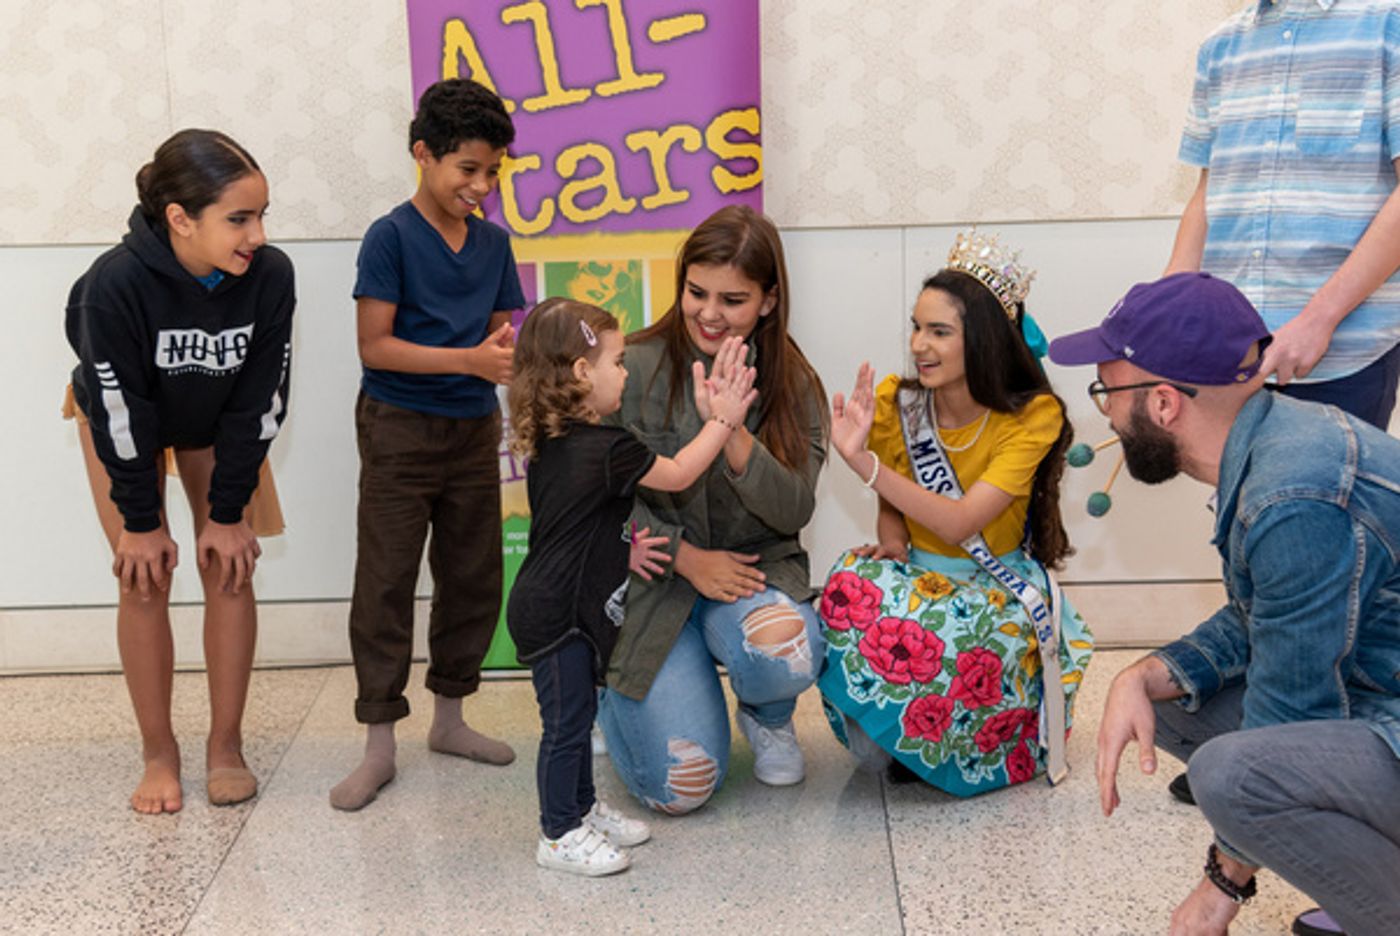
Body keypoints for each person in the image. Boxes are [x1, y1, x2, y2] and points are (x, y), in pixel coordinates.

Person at [1050, 272, 1400, 936]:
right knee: (1169, 702)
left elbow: (1293, 707)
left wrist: (1220, 886)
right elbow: (1266, 619)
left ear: (1162, 403)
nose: (1105, 416)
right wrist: (1144, 673)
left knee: (1234, 775)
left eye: (1106, 393)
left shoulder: (1294, 495)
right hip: (1381, 689)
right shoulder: (1275, 442)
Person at [64, 128, 294, 814]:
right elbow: (117, 408)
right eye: (238, 219)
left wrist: (226, 514)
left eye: (261, 216)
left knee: (230, 561)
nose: (256, 235)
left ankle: (226, 746)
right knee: (145, 576)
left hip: (219, 416)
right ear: (179, 219)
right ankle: (158, 752)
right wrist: (141, 522)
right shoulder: (111, 286)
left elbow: (263, 395)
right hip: (123, 419)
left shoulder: (270, 275)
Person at [817, 231, 1094, 794]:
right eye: (917, 328)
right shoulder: (903, 401)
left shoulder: (1031, 416)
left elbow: (961, 522)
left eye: (940, 331)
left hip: (994, 586)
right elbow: (893, 501)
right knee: (848, 579)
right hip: (921, 575)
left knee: (961, 654)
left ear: (985, 339)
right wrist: (892, 543)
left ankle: (962, 746)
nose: (920, 344)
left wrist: (865, 463)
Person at [507, 298, 758, 875]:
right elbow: (679, 474)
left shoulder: (559, 442)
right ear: (580, 373)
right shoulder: (607, 448)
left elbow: (577, 523)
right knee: (566, 728)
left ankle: (582, 808)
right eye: (617, 362)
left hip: (569, 605)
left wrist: (630, 548)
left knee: (578, 715)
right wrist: (722, 421)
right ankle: (558, 834)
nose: (625, 372)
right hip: (559, 614)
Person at [330, 78, 524, 811]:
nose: (480, 186)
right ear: (423, 155)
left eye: (493, 173)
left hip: (474, 428)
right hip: (398, 426)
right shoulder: (390, 237)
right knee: (385, 581)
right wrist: (469, 361)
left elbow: (502, 338)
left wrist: (504, 364)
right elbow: (375, 347)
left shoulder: (496, 244)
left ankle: (449, 720)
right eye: (467, 169)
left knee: (473, 574)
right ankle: (378, 742)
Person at [596, 205, 828, 813]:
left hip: (752, 576)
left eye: (733, 300)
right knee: (681, 790)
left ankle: (767, 714)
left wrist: (731, 431)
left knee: (787, 650)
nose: (709, 313)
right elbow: (587, 499)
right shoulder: (631, 367)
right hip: (650, 587)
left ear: (768, 301)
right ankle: (606, 694)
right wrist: (684, 557)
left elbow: (795, 508)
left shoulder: (794, 383)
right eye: (697, 292)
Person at [1164, 0, 1400, 430]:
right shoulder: (1220, 47)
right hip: (1227, 356)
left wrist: (1318, 319)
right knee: (1239, 498)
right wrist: (1163, 311)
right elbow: (1206, 194)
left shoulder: (1388, 25)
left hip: (1341, 357)